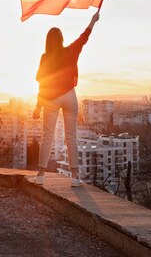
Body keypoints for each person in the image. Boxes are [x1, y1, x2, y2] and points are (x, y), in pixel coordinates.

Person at [32, 12, 100, 187]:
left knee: (47, 136)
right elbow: (83, 37)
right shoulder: (71, 51)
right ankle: (75, 177)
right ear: (61, 40)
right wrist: (93, 20)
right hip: (70, 96)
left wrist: (38, 107)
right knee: (71, 137)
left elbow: (43, 85)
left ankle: (40, 175)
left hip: (51, 98)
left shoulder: (44, 58)